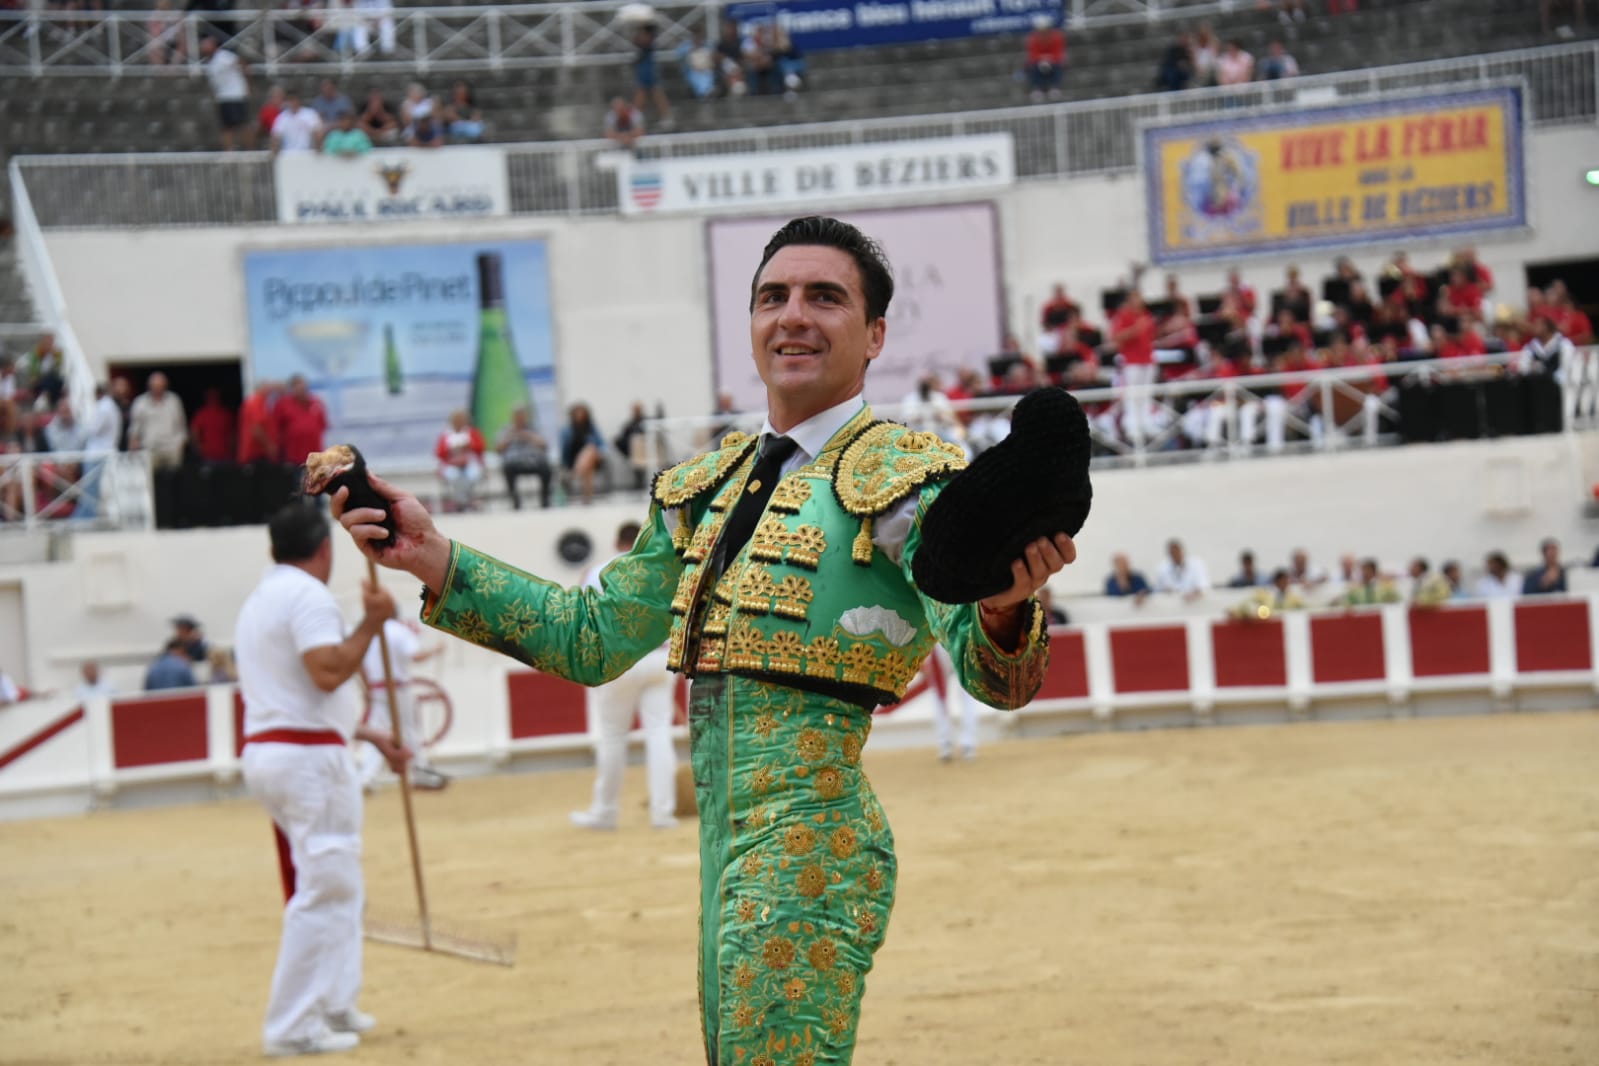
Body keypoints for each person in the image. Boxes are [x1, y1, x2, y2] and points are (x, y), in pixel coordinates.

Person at [331, 215, 1072, 1066]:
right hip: (724, 846)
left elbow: (995, 677)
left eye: (824, 298)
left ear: (874, 335)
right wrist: (430, 554)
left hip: (811, 842)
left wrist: (1005, 609)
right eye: (772, 297)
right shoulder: (705, 488)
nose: (792, 316)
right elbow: (590, 637)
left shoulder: (909, 485)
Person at [235, 501, 407, 1058]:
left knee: (338, 881)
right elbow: (327, 671)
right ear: (325, 550)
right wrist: (372, 623)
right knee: (327, 885)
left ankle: (334, 1001)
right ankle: (292, 1025)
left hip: (280, 750)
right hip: (308, 761)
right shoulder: (308, 596)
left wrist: (369, 735)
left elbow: (298, 693)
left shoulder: (260, 600)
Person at [570, 521, 679, 830]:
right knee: (658, 732)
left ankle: (605, 812)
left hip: (619, 658)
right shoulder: (664, 570)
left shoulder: (598, 571)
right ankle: (663, 813)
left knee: (613, 736)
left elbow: (582, 617)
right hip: (659, 657)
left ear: (618, 542)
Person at [358, 608, 445, 791]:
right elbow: (415, 656)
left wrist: (367, 687)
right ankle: (418, 770)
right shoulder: (399, 631)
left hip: (377, 687)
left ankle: (367, 776)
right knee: (409, 728)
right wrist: (436, 650)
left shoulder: (369, 632)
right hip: (397, 687)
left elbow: (359, 663)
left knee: (376, 730)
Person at [200, 34, 253, 151]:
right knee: (226, 126)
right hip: (223, 97)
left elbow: (241, 63)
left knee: (243, 124)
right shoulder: (211, 62)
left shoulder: (223, 56)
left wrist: (247, 84)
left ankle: (249, 150)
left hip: (235, 95)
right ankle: (229, 151)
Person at [496, 406, 553, 510]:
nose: (520, 419)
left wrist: (529, 436)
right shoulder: (506, 430)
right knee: (507, 467)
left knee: (546, 467)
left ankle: (545, 499)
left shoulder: (534, 428)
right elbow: (498, 449)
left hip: (534, 460)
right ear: (513, 417)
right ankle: (515, 500)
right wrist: (510, 437)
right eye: (518, 416)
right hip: (514, 462)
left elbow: (544, 445)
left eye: (522, 416)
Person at [128, 372, 187, 470]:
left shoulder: (174, 401)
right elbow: (135, 426)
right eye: (155, 386)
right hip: (150, 448)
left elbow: (181, 424)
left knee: (173, 476)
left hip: (172, 447)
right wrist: (133, 445)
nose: (158, 389)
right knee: (150, 476)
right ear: (149, 387)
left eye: (161, 386)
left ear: (165, 386)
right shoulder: (140, 402)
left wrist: (181, 443)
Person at [434, 409, 485, 513]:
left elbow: (481, 448)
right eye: (457, 420)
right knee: (455, 476)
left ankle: (463, 503)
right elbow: (439, 453)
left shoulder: (472, 433)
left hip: (470, 464)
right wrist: (451, 449)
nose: (459, 422)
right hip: (451, 465)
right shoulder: (446, 435)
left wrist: (469, 446)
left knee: (472, 476)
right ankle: (465, 503)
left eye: (461, 420)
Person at [559, 402, 606, 504]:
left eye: (581, 413)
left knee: (590, 449)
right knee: (588, 466)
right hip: (574, 460)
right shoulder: (567, 431)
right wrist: (563, 464)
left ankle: (573, 475)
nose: (579, 416)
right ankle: (587, 498)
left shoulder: (592, 429)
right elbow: (565, 450)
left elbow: (603, 445)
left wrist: (600, 452)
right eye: (577, 413)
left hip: (595, 457)